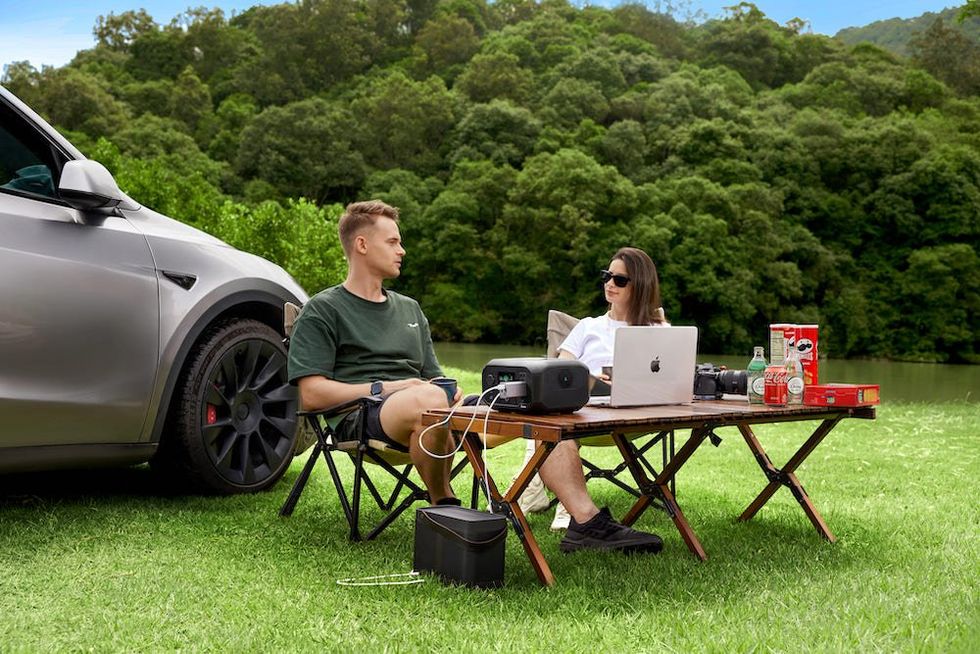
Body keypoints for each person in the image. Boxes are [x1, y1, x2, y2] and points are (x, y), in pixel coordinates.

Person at [289, 201, 662, 554]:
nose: (402, 249)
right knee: (428, 400)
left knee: (543, 406)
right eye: (393, 241)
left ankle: (585, 522)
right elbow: (311, 394)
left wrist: (449, 393)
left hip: (429, 411)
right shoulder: (324, 309)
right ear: (362, 244)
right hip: (364, 414)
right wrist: (390, 387)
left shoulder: (410, 309)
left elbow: (434, 378)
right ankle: (445, 504)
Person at [519, 247, 669, 530]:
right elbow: (559, 371)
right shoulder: (588, 327)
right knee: (552, 422)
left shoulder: (658, 330)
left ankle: (536, 498)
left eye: (620, 280)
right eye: (607, 276)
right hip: (585, 410)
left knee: (552, 426)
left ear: (641, 286)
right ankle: (556, 502)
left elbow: (669, 377)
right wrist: (591, 378)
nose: (610, 284)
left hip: (638, 415)